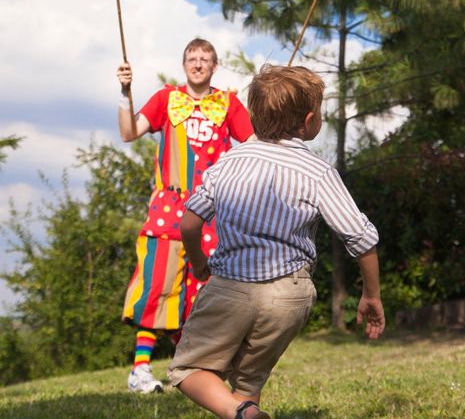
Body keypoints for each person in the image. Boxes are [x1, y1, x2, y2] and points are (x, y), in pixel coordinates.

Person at [168, 64, 385, 419]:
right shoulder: (319, 172)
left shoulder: (230, 162)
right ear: (310, 119)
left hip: (230, 286)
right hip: (290, 295)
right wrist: (371, 295)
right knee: (248, 382)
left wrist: (198, 263)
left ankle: (243, 414)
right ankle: (245, 409)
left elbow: (190, 224)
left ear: (254, 117)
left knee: (188, 370)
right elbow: (360, 238)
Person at [116, 38, 254, 394]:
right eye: (192, 58)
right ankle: (141, 370)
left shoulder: (227, 103)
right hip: (169, 211)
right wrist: (125, 91)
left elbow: (255, 145)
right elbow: (128, 132)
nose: (198, 64)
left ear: (214, 65)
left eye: (204, 59)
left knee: (203, 294)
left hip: (212, 212)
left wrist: (269, 106)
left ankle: (191, 370)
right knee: (158, 286)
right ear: (184, 65)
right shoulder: (166, 99)